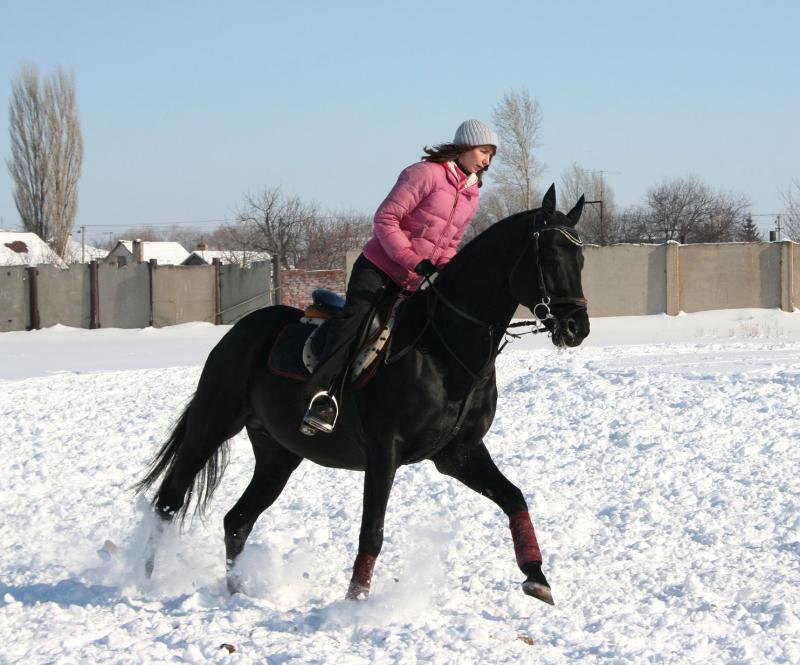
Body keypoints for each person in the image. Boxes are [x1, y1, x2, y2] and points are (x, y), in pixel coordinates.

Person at [300, 119, 499, 435]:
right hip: (379, 267)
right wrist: (414, 260)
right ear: (463, 146)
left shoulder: (472, 192)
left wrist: (447, 271)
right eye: (482, 151)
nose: (486, 160)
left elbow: (450, 244)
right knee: (358, 321)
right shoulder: (425, 174)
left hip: (417, 278)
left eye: (491, 154)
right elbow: (385, 219)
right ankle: (322, 395)